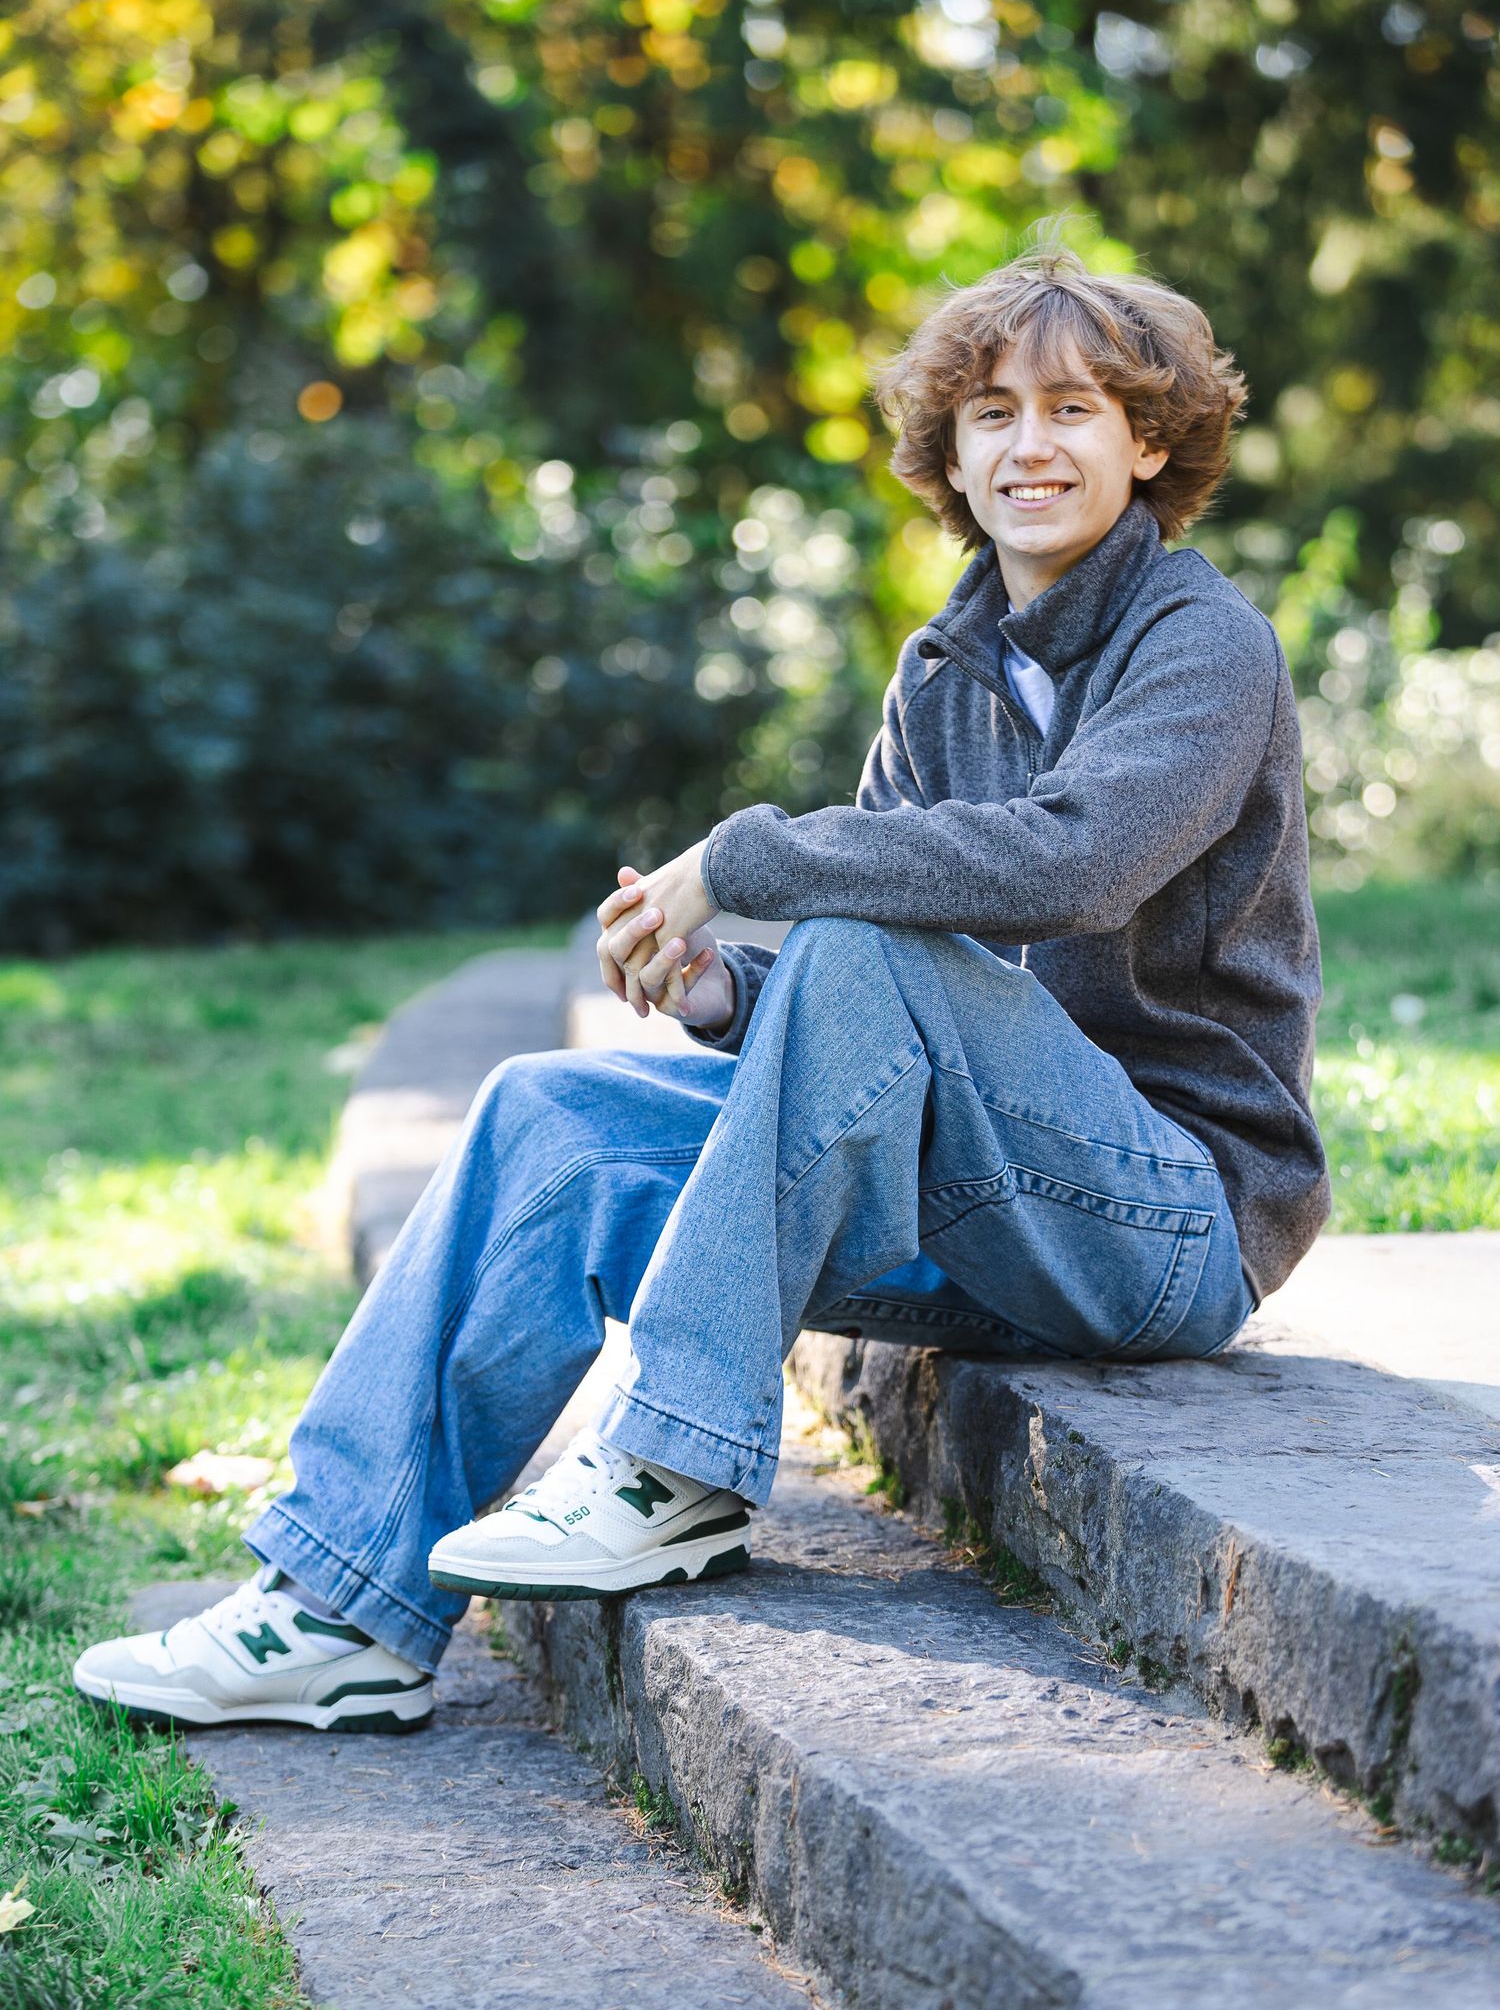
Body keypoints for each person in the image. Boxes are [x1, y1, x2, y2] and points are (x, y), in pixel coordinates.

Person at [73, 237, 1329, 1736]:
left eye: (1073, 409)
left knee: (860, 932)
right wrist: (722, 990)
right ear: (951, 451)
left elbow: (1073, 868)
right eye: (993, 412)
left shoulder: (1203, 642)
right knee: (550, 1112)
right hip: (977, 1205)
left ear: (1151, 440)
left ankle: (670, 1462)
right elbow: (887, 1005)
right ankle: (343, 1599)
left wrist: (745, 855)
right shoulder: (943, 671)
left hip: (1166, 1222)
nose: (1031, 444)